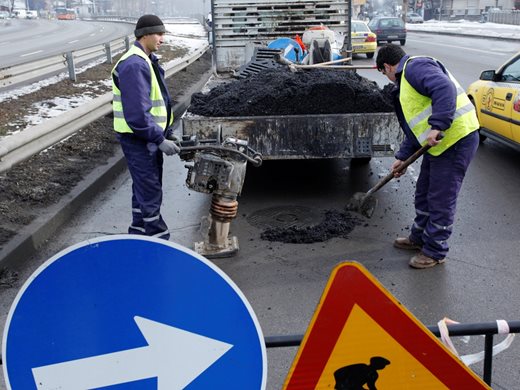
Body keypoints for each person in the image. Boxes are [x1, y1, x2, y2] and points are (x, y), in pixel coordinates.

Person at [375, 44, 479, 269]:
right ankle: (418, 238)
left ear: (387, 66)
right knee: (423, 192)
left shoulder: (415, 67)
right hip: (438, 145)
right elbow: (415, 127)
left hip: (456, 140)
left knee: (440, 198)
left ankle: (435, 251)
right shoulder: (404, 83)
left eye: (384, 73)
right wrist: (403, 157)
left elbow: (444, 88)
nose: (387, 78)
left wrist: (438, 125)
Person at [111, 14, 179, 240]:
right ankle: (160, 241)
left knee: (142, 189)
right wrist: (159, 140)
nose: (162, 38)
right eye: (159, 33)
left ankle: (138, 236)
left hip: (145, 138)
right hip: (139, 140)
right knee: (150, 191)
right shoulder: (134, 64)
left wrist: (166, 134)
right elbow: (138, 115)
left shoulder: (147, 60)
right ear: (145, 34)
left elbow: (156, 104)